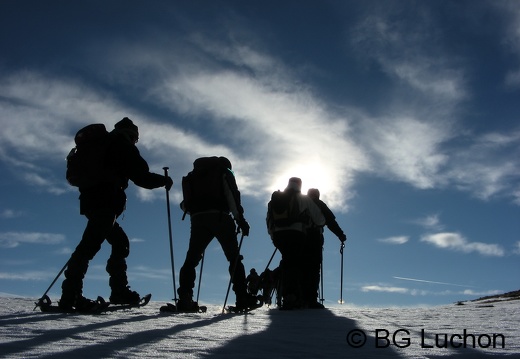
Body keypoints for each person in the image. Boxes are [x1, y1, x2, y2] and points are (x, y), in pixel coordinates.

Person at [59, 117, 173, 311]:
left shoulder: (103, 144)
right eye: (135, 138)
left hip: (90, 201)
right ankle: (71, 296)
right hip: (106, 201)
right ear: (130, 134)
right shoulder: (121, 145)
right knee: (89, 246)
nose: (135, 142)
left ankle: (118, 291)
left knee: (119, 243)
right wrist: (163, 181)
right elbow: (140, 176)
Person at [176, 157, 259, 312]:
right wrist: (240, 220)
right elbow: (231, 196)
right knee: (234, 258)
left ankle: (185, 297)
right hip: (220, 217)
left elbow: (185, 204)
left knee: (191, 259)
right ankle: (242, 297)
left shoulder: (194, 175)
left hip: (197, 219)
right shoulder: (224, 172)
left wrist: (199, 212)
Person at [266, 177, 325, 310]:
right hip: (296, 235)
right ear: (300, 185)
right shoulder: (303, 198)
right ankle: (292, 297)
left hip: (278, 236)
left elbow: (269, 220)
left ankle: (286, 294)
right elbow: (320, 219)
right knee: (296, 264)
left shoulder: (274, 200)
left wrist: (273, 236)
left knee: (287, 261)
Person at [304, 188, 347, 309]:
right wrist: (341, 235)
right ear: (317, 195)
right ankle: (311, 299)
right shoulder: (320, 204)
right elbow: (331, 222)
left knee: (301, 266)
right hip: (315, 237)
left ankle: (297, 297)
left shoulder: (300, 203)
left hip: (299, 237)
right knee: (314, 267)